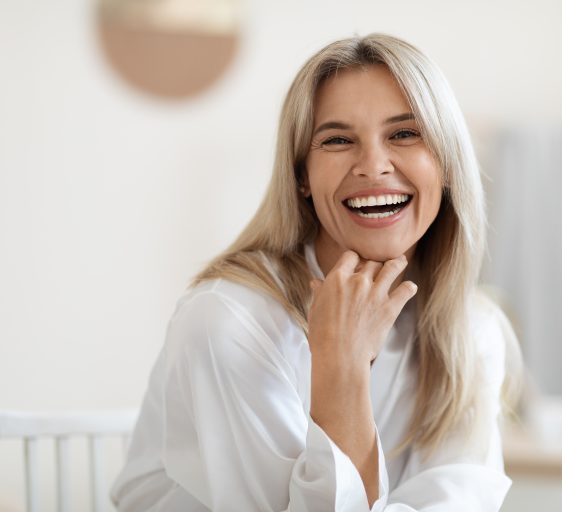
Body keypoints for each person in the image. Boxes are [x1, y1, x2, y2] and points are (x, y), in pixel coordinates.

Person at [111, 33, 522, 511]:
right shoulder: (227, 324)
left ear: (447, 164)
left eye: (405, 133)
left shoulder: (471, 331)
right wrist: (339, 369)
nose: (373, 165)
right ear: (301, 176)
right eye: (338, 140)